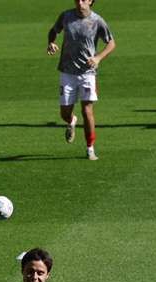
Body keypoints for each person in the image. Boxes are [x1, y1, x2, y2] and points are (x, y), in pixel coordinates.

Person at [47, 0, 116, 161]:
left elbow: (111, 43)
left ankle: (90, 148)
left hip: (87, 73)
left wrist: (98, 58)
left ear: (91, 1)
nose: (80, 2)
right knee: (64, 113)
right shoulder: (66, 16)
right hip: (67, 72)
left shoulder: (97, 20)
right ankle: (72, 120)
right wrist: (51, 42)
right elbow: (54, 30)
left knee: (87, 110)